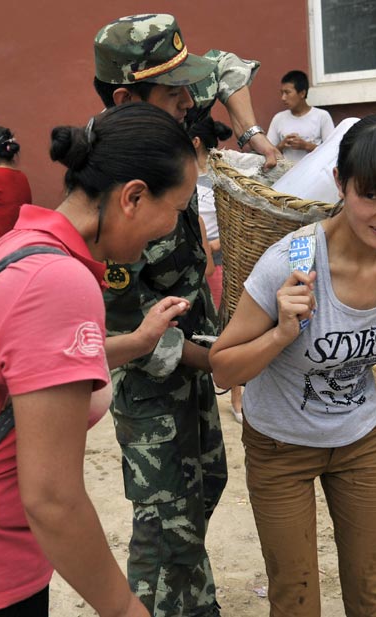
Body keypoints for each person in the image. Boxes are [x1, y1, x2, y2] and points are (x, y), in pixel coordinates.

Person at [0, 103, 199, 617]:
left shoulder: (22, 247)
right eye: (177, 210)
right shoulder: (60, 281)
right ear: (134, 197)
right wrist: (125, 609)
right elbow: (52, 499)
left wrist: (137, 342)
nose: (171, 228)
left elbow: (30, 368)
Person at [210, 114, 376, 617]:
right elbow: (223, 369)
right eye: (371, 195)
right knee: (295, 598)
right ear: (341, 182)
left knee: (373, 593)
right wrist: (281, 332)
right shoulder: (292, 262)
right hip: (280, 448)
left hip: (361, 443)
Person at [92, 13, 280, 617]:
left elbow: (225, 68)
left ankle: (191, 604)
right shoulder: (113, 186)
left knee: (203, 488)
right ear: (127, 100)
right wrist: (222, 358)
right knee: (165, 518)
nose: (188, 101)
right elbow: (124, 323)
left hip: (194, 360)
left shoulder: (162, 135)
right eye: (173, 91)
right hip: (152, 379)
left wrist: (254, 136)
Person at [187, 115, 244, 423]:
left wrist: (212, 246)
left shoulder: (222, 175)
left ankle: (237, 395)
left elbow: (235, 221)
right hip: (191, 261)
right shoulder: (183, 177)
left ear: (195, 141)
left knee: (228, 327)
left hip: (218, 261)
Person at [266, 69, 335, 164]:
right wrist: (282, 145)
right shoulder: (278, 118)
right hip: (287, 172)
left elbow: (332, 150)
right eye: (282, 93)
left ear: (302, 93)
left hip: (314, 170)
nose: (283, 98)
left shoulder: (322, 116)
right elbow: (268, 151)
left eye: (287, 92)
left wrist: (306, 146)